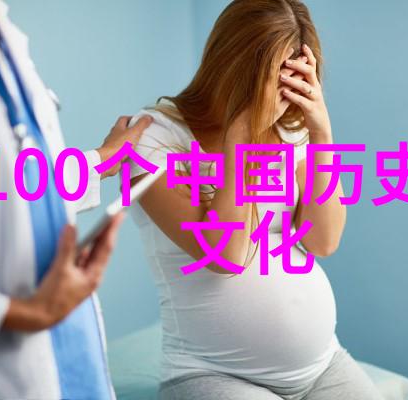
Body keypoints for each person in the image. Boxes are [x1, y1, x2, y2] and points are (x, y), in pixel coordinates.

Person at [127, 0, 384, 399]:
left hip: (322, 366)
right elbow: (226, 255)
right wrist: (243, 138)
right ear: (231, 66)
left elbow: (323, 240)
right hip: (209, 373)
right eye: (273, 79)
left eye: (295, 79)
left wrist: (321, 134)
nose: (282, 96)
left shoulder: (289, 129)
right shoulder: (154, 137)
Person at [0, 0, 152, 398]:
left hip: (71, 350)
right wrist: (26, 313)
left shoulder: (1, 31)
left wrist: (101, 160)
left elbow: (12, 182)